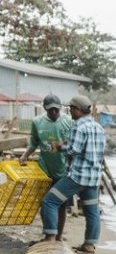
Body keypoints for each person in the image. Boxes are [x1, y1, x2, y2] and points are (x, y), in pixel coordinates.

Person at [37, 94, 105, 254]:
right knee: (92, 210)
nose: (70, 112)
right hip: (94, 176)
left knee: (49, 201)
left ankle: (50, 237)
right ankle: (89, 244)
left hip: (78, 176)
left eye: (71, 109)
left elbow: (74, 149)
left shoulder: (78, 126)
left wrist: (60, 146)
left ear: (77, 110)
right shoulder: (98, 127)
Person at [19, 94, 74, 241]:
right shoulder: (37, 122)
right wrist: (25, 156)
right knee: (45, 203)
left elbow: (74, 145)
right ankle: (49, 233)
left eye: (56, 110)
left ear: (60, 108)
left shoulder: (68, 121)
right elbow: (34, 143)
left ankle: (58, 236)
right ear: (45, 109)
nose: (54, 113)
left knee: (61, 205)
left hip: (63, 171)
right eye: (51, 110)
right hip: (44, 170)